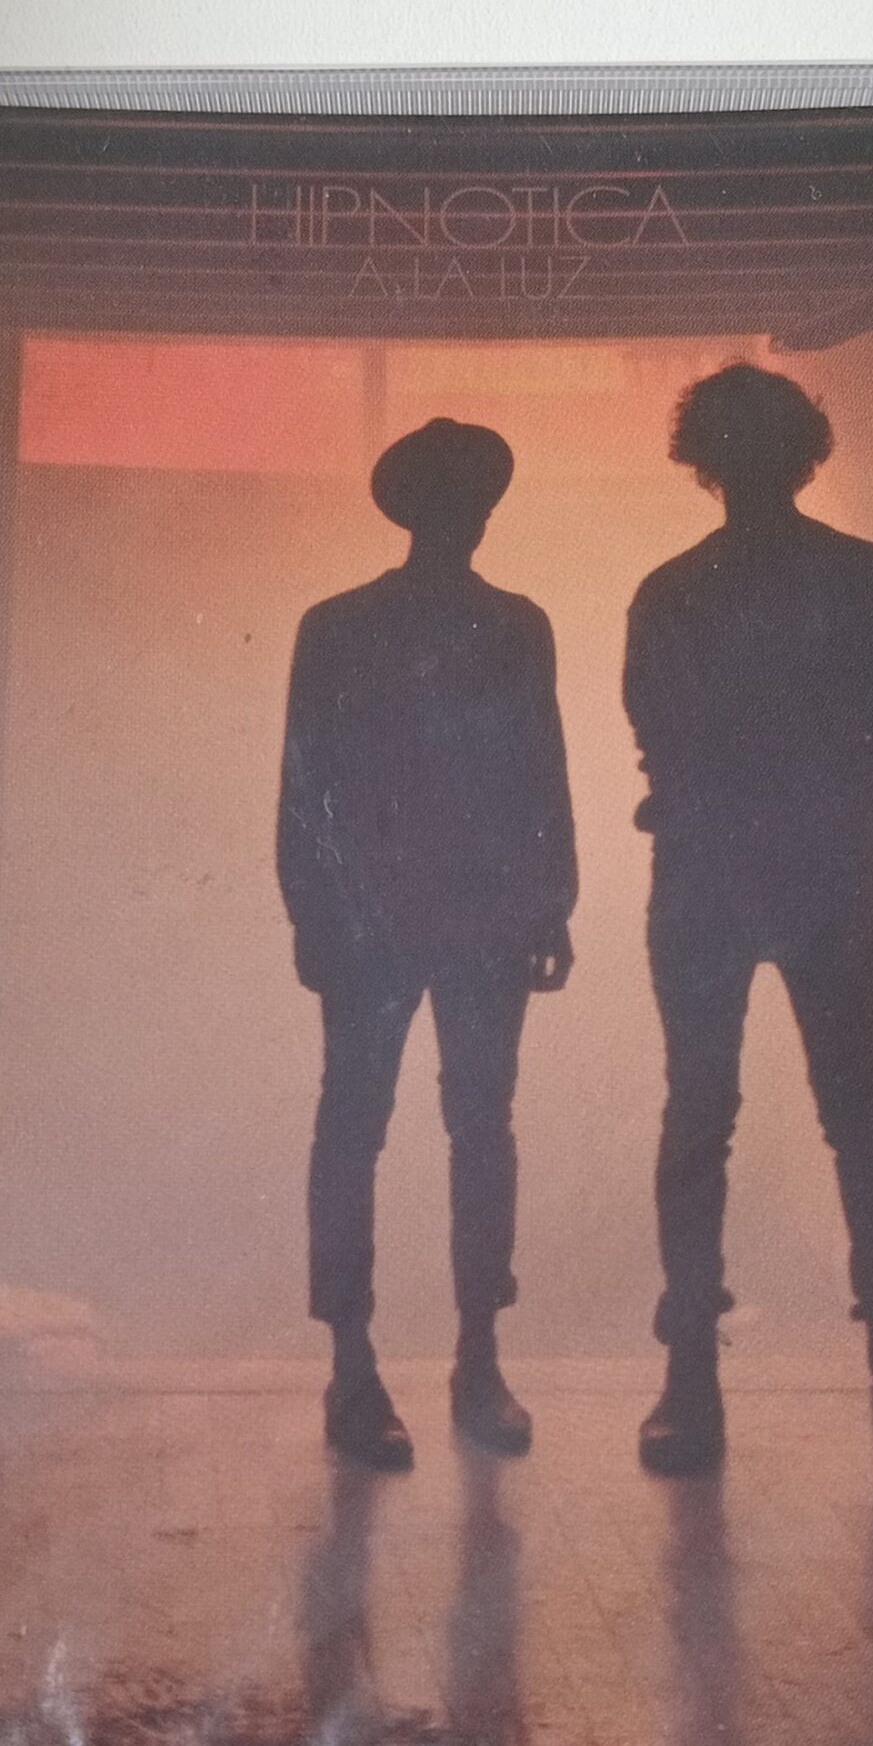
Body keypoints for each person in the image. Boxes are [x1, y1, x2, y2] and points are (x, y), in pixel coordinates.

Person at [623, 364, 873, 1482]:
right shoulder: (866, 576)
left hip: (704, 876)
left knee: (699, 1118)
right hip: (826, 869)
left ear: (703, 460)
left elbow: (659, 736)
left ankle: (690, 1385)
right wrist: (833, 771)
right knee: (857, 1112)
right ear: (805, 451)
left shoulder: (672, 592)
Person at [279, 419, 576, 1471]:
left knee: (365, 1130)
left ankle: (364, 1366)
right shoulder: (510, 626)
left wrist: (316, 914)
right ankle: (459, 1363)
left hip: (391, 920)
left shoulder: (343, 625)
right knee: (467, 1130)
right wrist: (551, 901)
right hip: (457, 917)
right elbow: (539, 771)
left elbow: (307, 785)